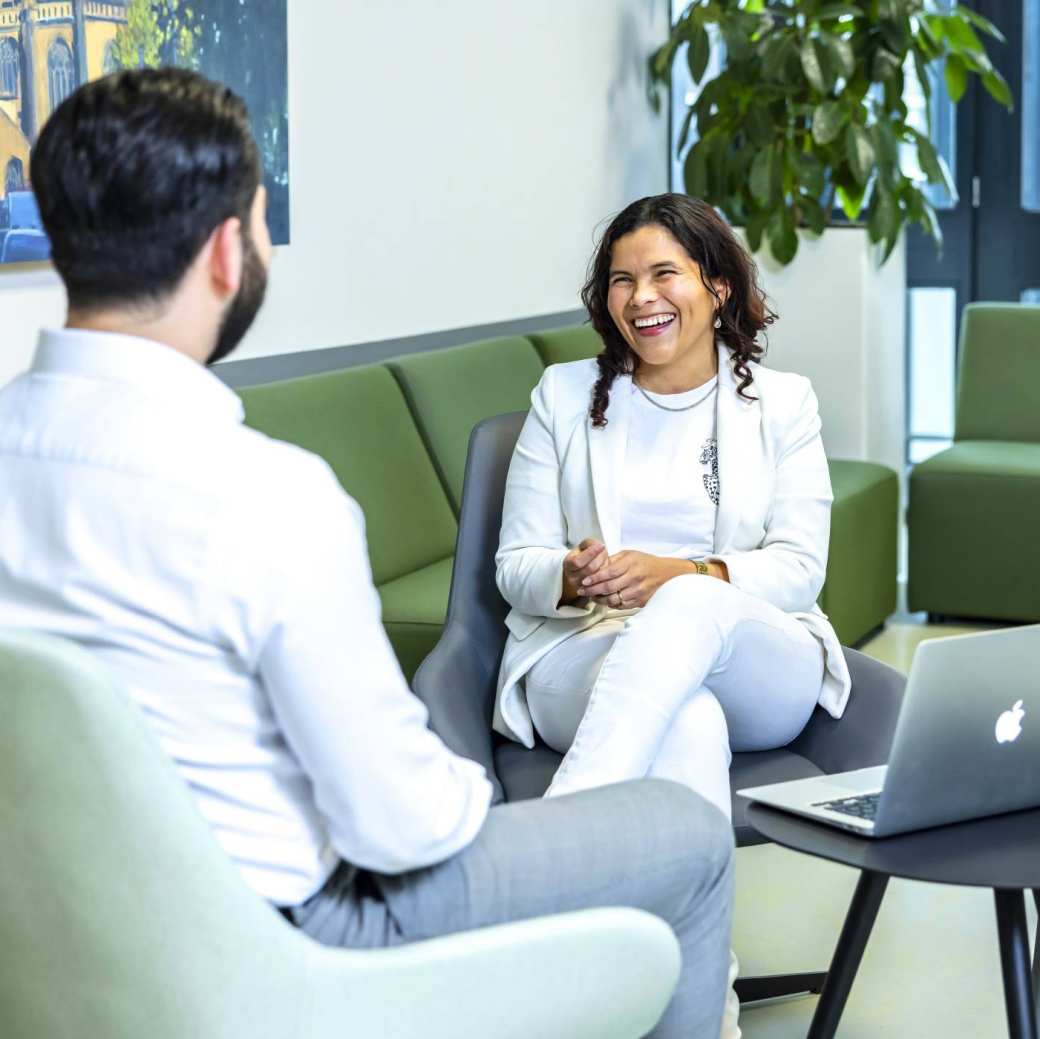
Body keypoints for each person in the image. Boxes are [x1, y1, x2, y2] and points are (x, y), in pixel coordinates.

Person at [0, 71, 734, 1038]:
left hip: (54, 931)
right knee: (685, 835)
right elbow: (403, 826)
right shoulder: (265, 494)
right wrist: (470, 788)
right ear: (229, 250)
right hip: (295, 934)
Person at [494, 193, 854, 1036]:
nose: (640, 297)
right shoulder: (564, 394)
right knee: (685, 721)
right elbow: (516, 570)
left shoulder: (785, 401)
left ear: (717, 284)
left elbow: (800, 570)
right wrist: (578, 578)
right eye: (621, 280)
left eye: (664, 273)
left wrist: (679, 574)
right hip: (586, 653)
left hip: (756, 660)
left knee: (692, 601)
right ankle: (701, 1007)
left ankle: (549, 858)